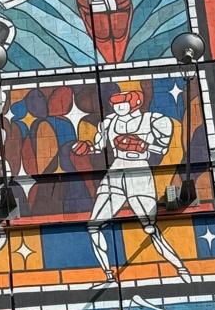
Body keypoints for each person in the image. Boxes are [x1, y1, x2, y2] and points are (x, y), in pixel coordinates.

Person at [73, 88, 190, 283]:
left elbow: (162, 149)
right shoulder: (109, 122)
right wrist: (86, 148)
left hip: (139, 172)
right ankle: (108, 275)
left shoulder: (152, 120)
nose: (118, 107)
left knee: (150, 227)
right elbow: (97, 147)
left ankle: (180, 267)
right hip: (116, 172)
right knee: (93, 225)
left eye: (123, 103)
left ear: (134, 103)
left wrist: (144, 146)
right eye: (116, 104)